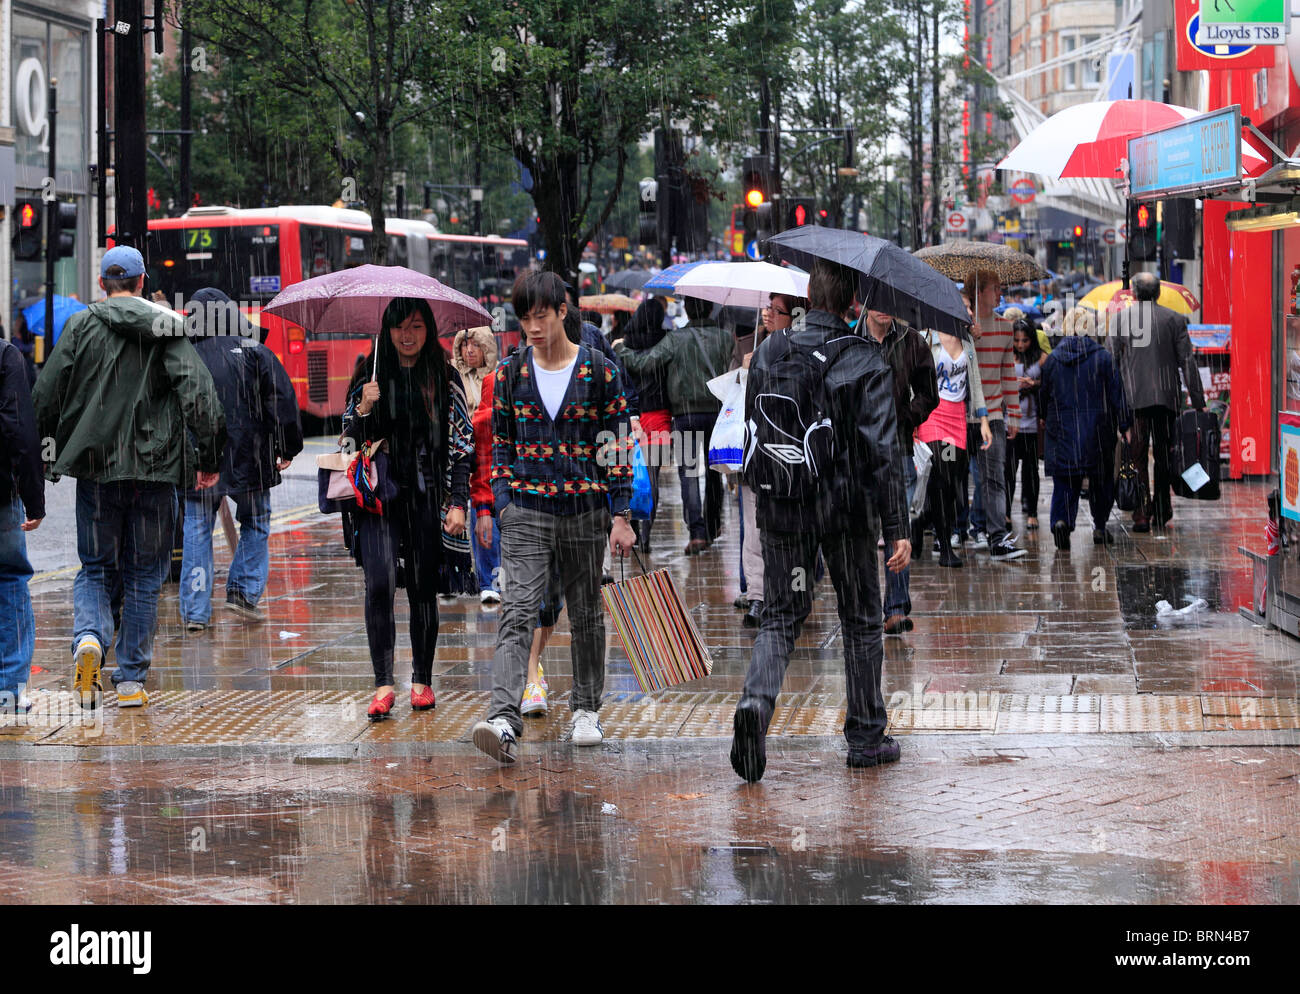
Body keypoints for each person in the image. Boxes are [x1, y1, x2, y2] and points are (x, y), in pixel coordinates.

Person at [730, 259, 910, 782]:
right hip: (846, 510)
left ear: (808, 296)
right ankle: (866, 736)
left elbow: (755, 425)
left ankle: (756, 706)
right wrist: (896, 525)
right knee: (859, 617)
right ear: (853, 302)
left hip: (784, 503)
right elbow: (883, 450)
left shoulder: (768, 351)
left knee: (781, 616)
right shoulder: (863, 359)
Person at [32, 246, 226, 709]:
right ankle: (132, 678)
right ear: (142, 282)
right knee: (144, 575)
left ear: (103, 284)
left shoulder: (81, 326)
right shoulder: (164, 325)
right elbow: (200, 395)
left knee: (96, 568)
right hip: (156, 473)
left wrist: (40, 454)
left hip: (98, 470)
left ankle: (90, 640)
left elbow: (46, 394)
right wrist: (210, 455)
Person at [470, 271, 636, 763]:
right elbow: (501, 443)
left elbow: (616, 448)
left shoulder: (599, 371)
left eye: (540, 315)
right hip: (526, 511)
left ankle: (586, 708)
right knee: (518, 610)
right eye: (524, 318)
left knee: (586, 613)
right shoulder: (509, 374)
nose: (533, 327)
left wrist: (621, 512)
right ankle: (503, 717)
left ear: (562, 311)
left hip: (586, 510)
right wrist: (504, 501)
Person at [342, 297, 473, 718]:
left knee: (421, 587)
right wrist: (364, 407)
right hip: (379, 497)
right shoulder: (371, 372)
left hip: (426, 494)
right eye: (399, 327)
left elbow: (462, 445)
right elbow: (348, 440)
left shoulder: (444, 375)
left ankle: (422, 680)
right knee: (379, 582)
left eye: (416, 326)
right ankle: (383, 682)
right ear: (388, 330)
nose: (407, 335)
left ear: (428, 328)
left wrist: (457, 501)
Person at [179, 288, 303, 631]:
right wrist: (286, 446)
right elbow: (281, 399)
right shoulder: (254, 350)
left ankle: (195, 612)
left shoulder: (183, 353)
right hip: (250, 455)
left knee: (197, 529)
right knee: (256, 521)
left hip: (198, 460)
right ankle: (242, 593)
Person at [615, 294, 732, 554]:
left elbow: (644, 363)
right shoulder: (725, 339)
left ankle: (698, 532)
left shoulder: (675, 339)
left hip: (685, 414)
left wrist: (621, 349)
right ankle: (712, 526)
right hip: (717, 413)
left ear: (688, 310)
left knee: (690, 475)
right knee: (716, 474)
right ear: (711, 309)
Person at [860, 307, 938, 635]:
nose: (886, 310)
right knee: (861, 533)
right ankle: (862, 607)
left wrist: (906, 415)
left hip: (898, 449)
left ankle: (895, 607)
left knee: (898, 529)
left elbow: (929, 393)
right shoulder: (850, 339)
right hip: (859, 452)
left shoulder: (910, 341)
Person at [1108, 272, 1206, 532]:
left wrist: (1111, 400)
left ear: (1134, 293)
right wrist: (1198, 400)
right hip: (1166, 398)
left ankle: (1141, 512)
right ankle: (1162, 507)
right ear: (1159, 293)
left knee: (1137, 456)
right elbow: (1187, 361)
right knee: (1164, 454)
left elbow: (1111, 364)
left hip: (1134, 400)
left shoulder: (1120, 320)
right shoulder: (1174, 319)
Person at [1041, 306, 1131, 550]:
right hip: (1098, 430)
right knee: (1101, 481)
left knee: (1065, 479)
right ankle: (1100, 526)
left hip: (1062, 430)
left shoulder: (1053, 360)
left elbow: (1044, 396)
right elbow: (1117, 395)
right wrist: (1125, 425)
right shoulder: (1103, 358)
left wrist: (1044, 419)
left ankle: (1061, 520)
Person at [964, 269, 1026, 559]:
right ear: (979, 293)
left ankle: (997, 537)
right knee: (953, 479)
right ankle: (953, 530)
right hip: (961, 414)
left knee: (995, 478)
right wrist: (968, 337)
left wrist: (1013, 412)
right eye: (995, 288)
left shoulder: (1004, 328)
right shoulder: (959, 324)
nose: (1000, 293)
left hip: (995, 415)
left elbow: (1007, 372)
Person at [916, 330, 991, 567]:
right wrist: (913, 420)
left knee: (951, 484)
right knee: (940, 476)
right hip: (932, 413)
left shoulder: (967, 342)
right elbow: (914, 379)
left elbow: (976, 382)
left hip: (958, 416)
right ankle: (945, 546)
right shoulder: (926, 338)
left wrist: (984, 419)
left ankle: (921, 518)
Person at [0, 335, 44, 714]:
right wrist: (34, 497)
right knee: (10, 578)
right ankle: (10, 691)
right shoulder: (4, 355)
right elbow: (20, 431)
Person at [611, 297, 670, 554]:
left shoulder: (623, 344)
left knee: (630, 474)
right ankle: (646, 535)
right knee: (651, 478)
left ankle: (631, 526)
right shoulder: (665, 342)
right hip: (659, 416)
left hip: (630, 416)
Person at [453, 325, 502, 605]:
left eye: (475, 345)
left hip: (491, 449)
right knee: (479, 518)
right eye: (464, 345)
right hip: (471, 453)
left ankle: (494, 578)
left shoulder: (498, 378)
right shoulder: (455, 378)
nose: (468, 350)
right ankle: (484, 579)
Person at [1004, 317, 1043, 531]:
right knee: (1008, 470)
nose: (1020, 344)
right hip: (1009, 420)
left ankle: (1032, 512)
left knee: (1031, 470)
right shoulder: (1007, 356)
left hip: (1030, 422)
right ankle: (1006, 512)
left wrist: (1034, 384)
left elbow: (1048, 383)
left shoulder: (1041, 358)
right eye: (1017, 340)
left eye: (1025, 340)